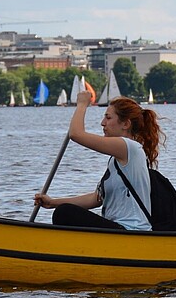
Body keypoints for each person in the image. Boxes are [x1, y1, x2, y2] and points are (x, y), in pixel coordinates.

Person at [34, 90, 166, 230]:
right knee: (63, 210)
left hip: (131, 230)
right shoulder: (116, 160)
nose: (102, 123)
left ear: (125, 124)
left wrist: (82, 104)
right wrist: (53, 202)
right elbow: (96, 199)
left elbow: (76, 134)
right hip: (117, 228)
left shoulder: (129, 147)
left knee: (64, 213)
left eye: (108, 118)